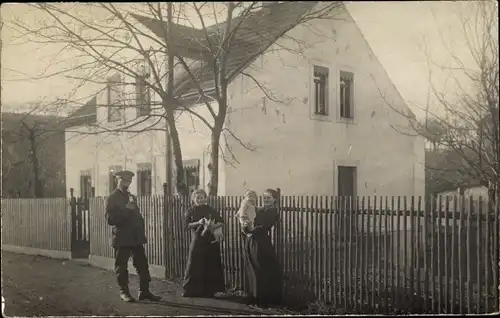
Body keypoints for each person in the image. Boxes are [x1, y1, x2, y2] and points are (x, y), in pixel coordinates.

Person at [105, 170, 161, 303]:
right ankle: (124, 292)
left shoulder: (132, 197)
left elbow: (137, 216)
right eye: (124, 180)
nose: (127, 183)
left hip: (135, 237)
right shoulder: (112, 197)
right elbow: (110, 219)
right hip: (122, 238)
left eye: (129, 181)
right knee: (122, 266)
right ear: (117, 180)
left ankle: (144, 291)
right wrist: (126, 210)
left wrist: (141, 231)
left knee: (142, 265)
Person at [242, 188, 283, 308]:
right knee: (251, 268)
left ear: (274, 199)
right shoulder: (258, 209)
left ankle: (263, 299)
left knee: (261, 269)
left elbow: (264, 227)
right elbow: (247, 219)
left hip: (261, 242)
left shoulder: (272, 212)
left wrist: (250, 229)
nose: (266, 200)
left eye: (269, 198)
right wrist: (245, 227)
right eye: (264, 197)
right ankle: (252, 297)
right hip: (250, 240)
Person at [182, 189, 225, 298]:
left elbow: (221, 221)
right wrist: (198, 222)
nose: (200, 200)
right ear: (193, 199)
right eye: (198, 198)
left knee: (210, 265)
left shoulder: (210, 209)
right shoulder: (190, 211)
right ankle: (190, 290)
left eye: (202, 198)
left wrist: (212, 226)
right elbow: (186, 226)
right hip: (198, 240)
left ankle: (210, 291)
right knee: (194, 264)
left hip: (210, 240)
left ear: (206, 198)